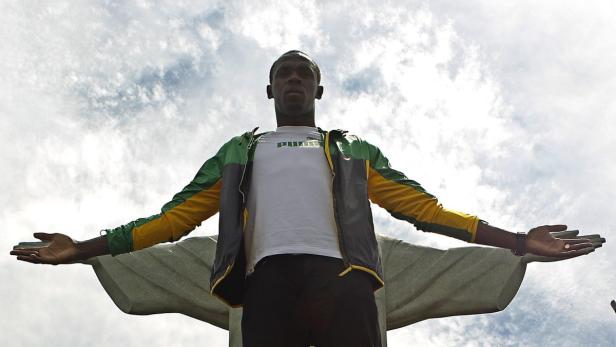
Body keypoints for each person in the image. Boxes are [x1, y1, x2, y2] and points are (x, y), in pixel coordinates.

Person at [10, 50, 597, 347]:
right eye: (284, 74)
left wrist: (517, 241)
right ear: (270, 89)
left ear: (318, 88)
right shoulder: (240, 153)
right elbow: (173, 220)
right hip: (263, 284)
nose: (293, 81)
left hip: (345, 281)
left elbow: (425, 209)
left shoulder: (350, 151)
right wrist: (84, 248)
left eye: (303, 74)